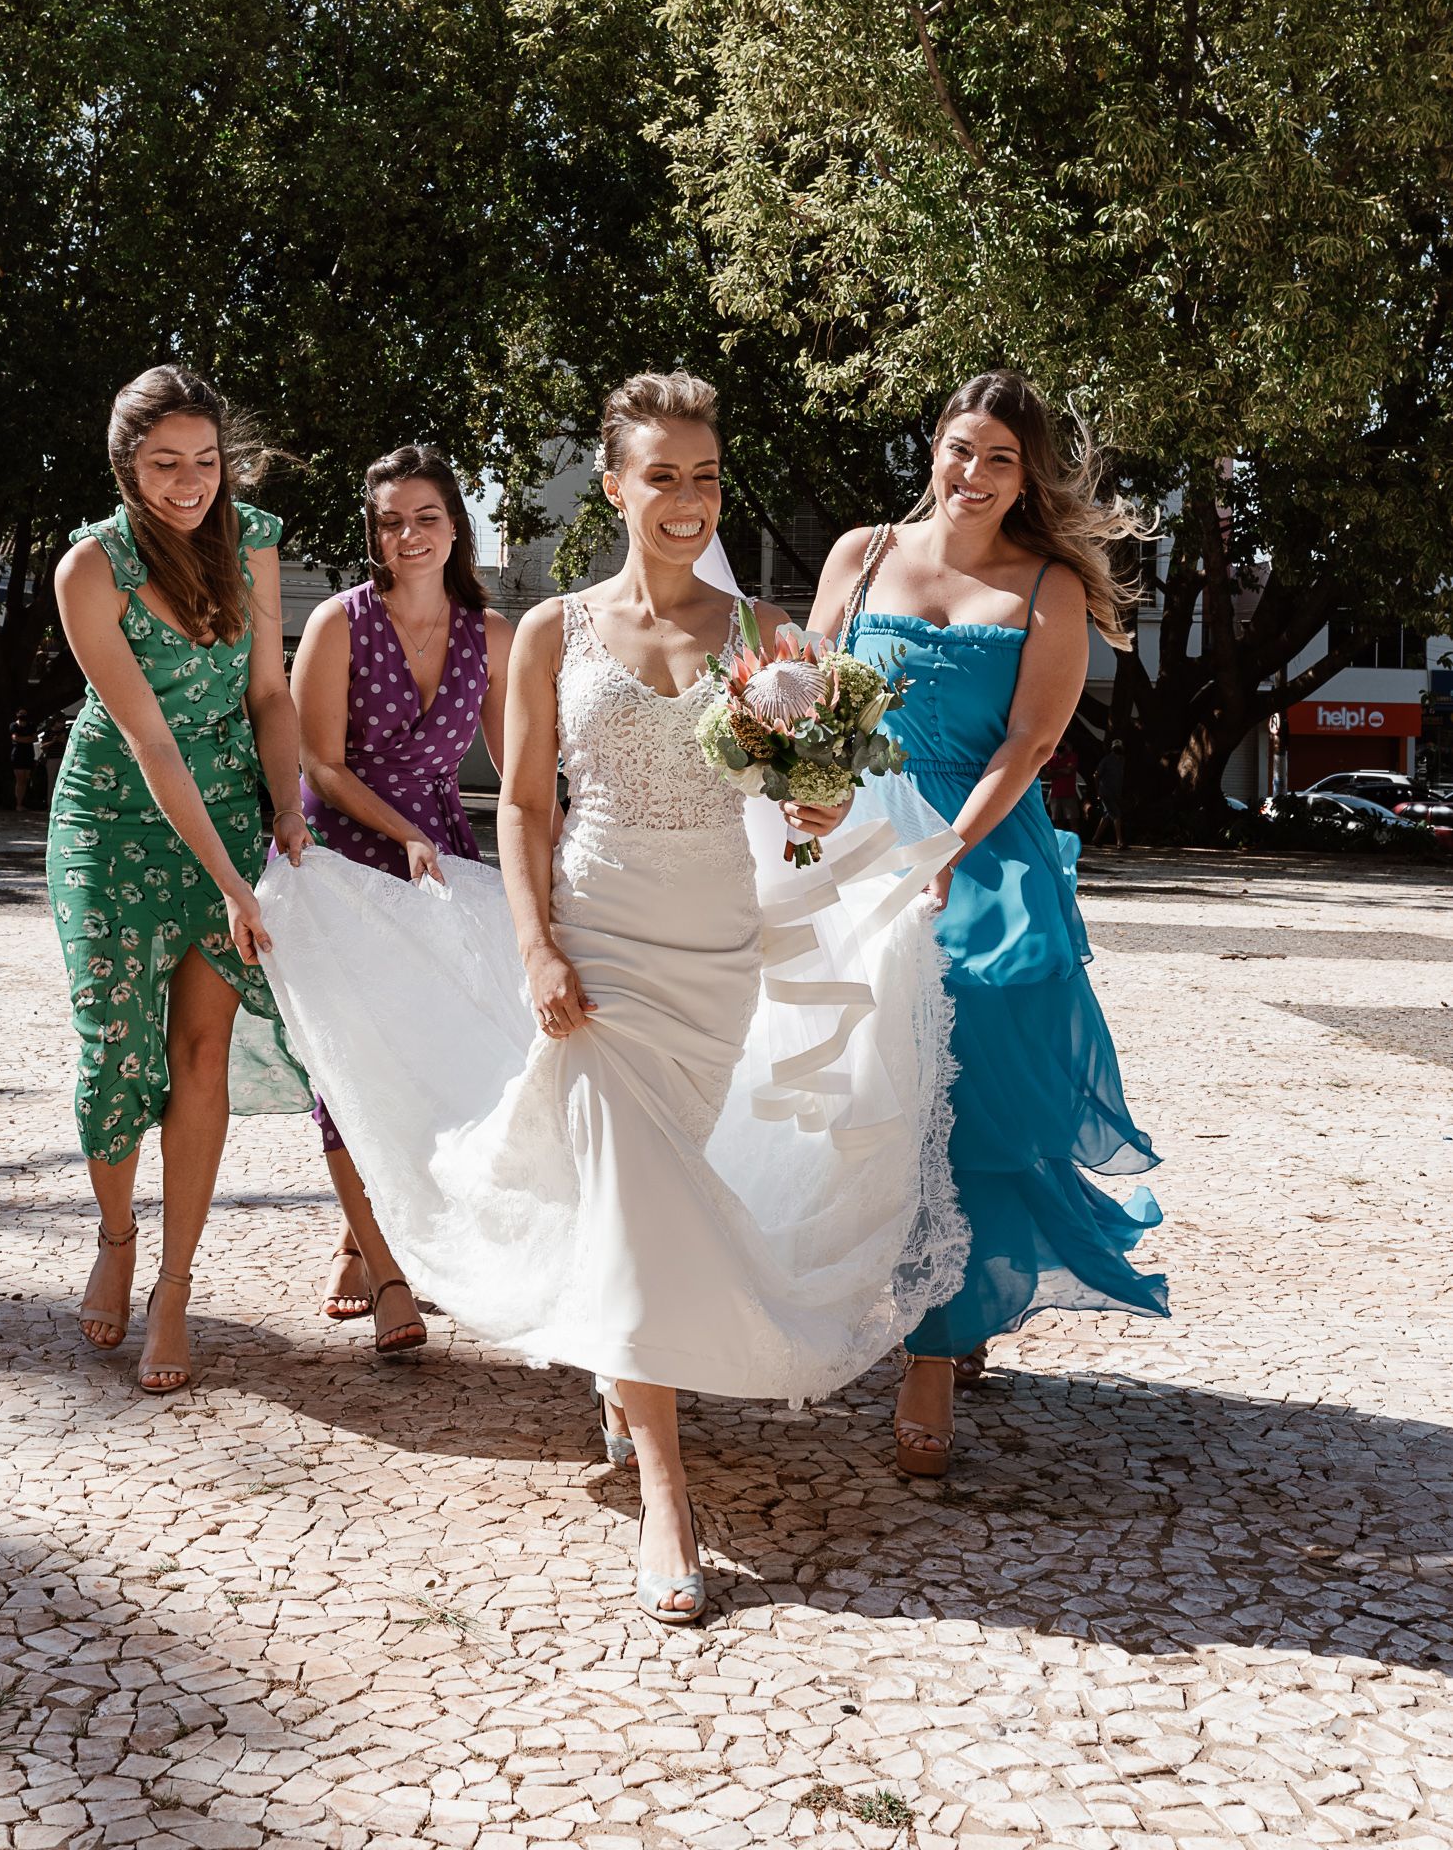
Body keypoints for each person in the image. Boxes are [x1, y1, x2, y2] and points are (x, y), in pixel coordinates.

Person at [257, 370, 964, 1623]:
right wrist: (535, 949)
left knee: (650, 1185)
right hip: (598, 941)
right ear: (616, 485)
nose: (687, 499)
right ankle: (666, 1492)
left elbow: (820, 796)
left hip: (713, 953)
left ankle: (618, 1362)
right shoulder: (550, 632)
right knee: (632, 1185)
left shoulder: (761, 637)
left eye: (705, 475)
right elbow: (524, 805)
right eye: (662, 475)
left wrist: (821, 806)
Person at [809, 369, 1167, 1479]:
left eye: (1000, 459)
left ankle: (933, 1346)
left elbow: (1032, 743)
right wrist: (796, 791)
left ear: (1028, 477)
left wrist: (948, 850)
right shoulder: (861, 552)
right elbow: (804, 694)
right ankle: (826, 1293)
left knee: (958, 1092)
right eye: (961, 449)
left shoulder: (1049, 585)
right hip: (851, 839)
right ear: (935, 448)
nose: (972, 474)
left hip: (976, 842)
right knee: (833, 1082)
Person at [48, 365, 312, 1394]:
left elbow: (270, 694)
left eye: (206, 461)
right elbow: (151, 742)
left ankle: (173, 1284)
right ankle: (116, 1237)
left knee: (201, 1052)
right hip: (114, 819)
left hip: (231, 815)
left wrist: (285, 807)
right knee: (114, 1048)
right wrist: (233, 883)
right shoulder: (90, 570)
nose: (192, 482)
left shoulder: (253, 542)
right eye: (166, 465)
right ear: (126, 468)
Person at [289, 444, 512, 1354]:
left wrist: (575, 838)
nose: (409, 534)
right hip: (341, 856)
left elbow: (518, 770)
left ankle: (357, 1232)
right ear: (374, 534)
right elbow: (318, 763)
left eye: (426, 516)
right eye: (391, 521)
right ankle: (389, 1276)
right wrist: (405, 831)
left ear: (456, 525)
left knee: (430, 1061)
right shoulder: (340, 624)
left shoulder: (492, 637)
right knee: (349, 1070)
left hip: (438, 862)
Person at [1092, 740, 1127, 848]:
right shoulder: (1106, 760)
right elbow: (1096, 775)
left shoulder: (1122, 760)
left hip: (1115, 793)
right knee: (1116, 814)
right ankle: (1119, 842)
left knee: (1107, 816)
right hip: (1106, 792)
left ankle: (1096, 838)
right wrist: (1098, 791)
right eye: (1116, 747)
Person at [1044, 738, 1083, 834]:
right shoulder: (1052, 758)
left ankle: (1076, 845)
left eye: (1063, 744)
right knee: (1057, 823)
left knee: (1073, 822)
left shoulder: (1072, 756)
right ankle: (1059, 846)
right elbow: (1047, 774)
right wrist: (1062, 770)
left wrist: (1055, 772)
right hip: (1055, 795)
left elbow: (1069, 771)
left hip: (1069, 794)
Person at [36, 713, 69, 803]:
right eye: (60, 722)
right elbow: (42, 746)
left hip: (64, 759)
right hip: (52, 759)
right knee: (52, 782)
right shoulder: (48, 732)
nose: (62, 724)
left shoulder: (66, 732)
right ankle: (50, 804)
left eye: (63, 722)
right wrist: (53, 741)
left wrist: (63, 741)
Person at [10, 709, 37, 811]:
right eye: (21, 714)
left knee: (25, 780)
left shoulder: (31, 725)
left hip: (28, 754)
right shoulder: (14, 726)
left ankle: (21, 802)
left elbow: (35, 738)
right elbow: (15, 738)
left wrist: (22, 739)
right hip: (18, 755)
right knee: (20, 780)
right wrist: (27, 739)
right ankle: (18, 804)